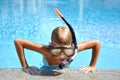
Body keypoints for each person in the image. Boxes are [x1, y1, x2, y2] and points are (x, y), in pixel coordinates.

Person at [14, 26, 100, 75]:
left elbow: (96, 43)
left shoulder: (75, 49)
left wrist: (92, 65)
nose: (62, 55)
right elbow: (18, 42)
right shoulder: (46, 51)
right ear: (52, 45)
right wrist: (25, 66)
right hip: (46, 68)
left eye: (66, 50)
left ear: (71, 44)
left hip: (64, 67)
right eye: (57, 50)